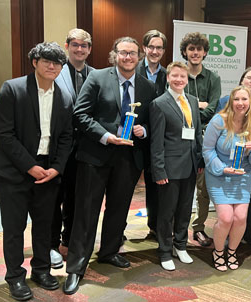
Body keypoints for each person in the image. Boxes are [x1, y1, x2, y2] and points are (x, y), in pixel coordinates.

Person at [63, 37, 157, 295]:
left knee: (118, 209)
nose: (128, 58)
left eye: (133, 54)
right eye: (123, 53)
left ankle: (109, 252)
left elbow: (153, 121)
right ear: (114, 54)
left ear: (139, 57)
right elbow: (80, 115)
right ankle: (76, 267)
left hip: (128, 158)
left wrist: (144, 130)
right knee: (86, 211)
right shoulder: (97, 78)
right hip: (96, 154)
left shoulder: (148, 87)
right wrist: (106, 135)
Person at [0, 42, 72, 301]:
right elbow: (4, 133)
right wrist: (29, 166)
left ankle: (41, 270)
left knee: (44, 226)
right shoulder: (12, 89)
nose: (52, 66)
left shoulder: (65, 96)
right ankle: (15, 277)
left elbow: (67, 137)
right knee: (14, 228)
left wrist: (56, 168)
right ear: (34, 62)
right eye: (46, 60)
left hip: (48, 172)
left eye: (57, 62)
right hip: (15, 171)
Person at [150, 61, 203, 271]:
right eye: (175, 76)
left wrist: (199, 160)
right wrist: (159, 169)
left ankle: (180, 244)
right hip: (169, 168)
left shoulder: (192, 100)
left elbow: (197, 133)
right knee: (166, 211)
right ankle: (164, 250)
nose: (179, 80)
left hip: (190, 165)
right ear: (168, 78)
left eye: (183, 76)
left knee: (184, 209)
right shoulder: (159, 103)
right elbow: (156, 141)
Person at [203, 86, 251, 271]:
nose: (240, 103)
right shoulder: (219, 121)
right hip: (219, 173)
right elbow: (207, 150)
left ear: (249, 103)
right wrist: (222, 169)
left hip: (242, 175)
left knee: (240, 217)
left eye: (244, 100)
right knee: (226, 217)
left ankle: (232, 251)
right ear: (231, 102)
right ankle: (218, 252)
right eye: (237, 99)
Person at [51, 28, 94, 268]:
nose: (80, 49)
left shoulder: (97, 74)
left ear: (89, 49)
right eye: (75, 45)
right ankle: (51, 243)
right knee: (55, 196)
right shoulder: (55, 72)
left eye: (84, 46)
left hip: (86, 147)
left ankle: (69, 238)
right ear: (67, 46)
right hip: (59, 147)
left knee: (78, 197)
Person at [216, 67, 251, 250]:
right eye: (248, 78)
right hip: (227, 160)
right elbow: (217, 128)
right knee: (227, 202)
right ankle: (228, 235)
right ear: (241, 81)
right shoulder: (225, 101)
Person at [180, 32, 222, 247]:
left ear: (205, 52)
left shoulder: (213, 78)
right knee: (181, 187)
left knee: (202, 188)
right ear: (185, 52)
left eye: (199, 49)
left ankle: (198, 228)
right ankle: (177, 230)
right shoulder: (179, 76)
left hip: (205, 139)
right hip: (180, 140)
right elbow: (176, 108)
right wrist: (200, 105)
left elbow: (214, 109)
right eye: (191, 49)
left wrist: (192, 109)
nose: (195, 53)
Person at [137, 29, 168, 238]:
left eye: (159, 48)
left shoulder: (168, 75)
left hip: (158, 137)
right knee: (124, 185)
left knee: (155, 184)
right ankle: (117, 232)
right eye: (151, 47)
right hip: (133, 134)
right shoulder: (133, 70)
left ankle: (154, 228)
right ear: (144, 48)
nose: (155, 51)